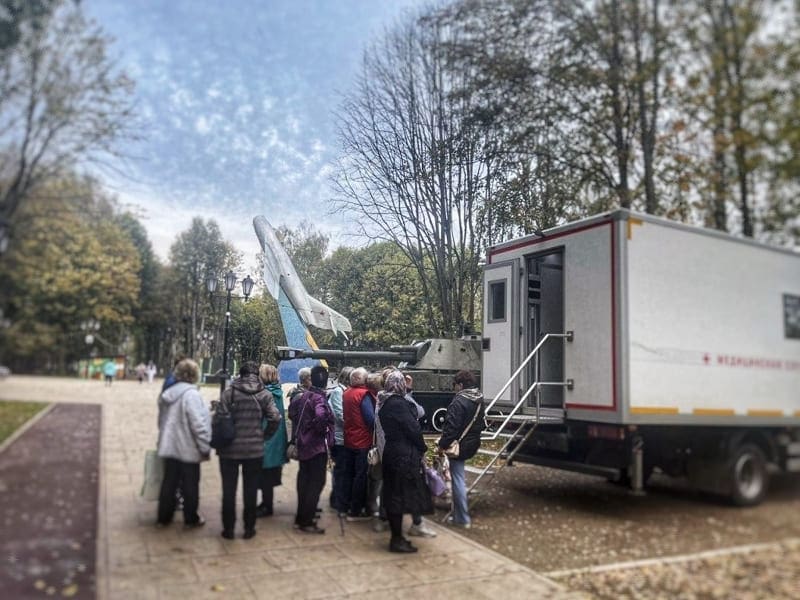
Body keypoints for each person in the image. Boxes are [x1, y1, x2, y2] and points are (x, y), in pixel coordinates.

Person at [216, 361, 281, 540]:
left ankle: (228, 529)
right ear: (256, 376)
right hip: (254, 450)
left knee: (228, 490)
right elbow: (275, 418)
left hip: (229, 450)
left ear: (240, 374)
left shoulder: (229, 393)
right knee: (250, 490)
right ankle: (249, 528)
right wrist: (264, 436)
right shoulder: (265, 394)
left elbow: (219, 417)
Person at [379, 370, 433, 553]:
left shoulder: (385, 402)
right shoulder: (398, 404)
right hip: (403, 455)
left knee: (395, 495)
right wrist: (423, 448)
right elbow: (413, 429)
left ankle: (398, 537)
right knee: (398, 497)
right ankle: (396, 539)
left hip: (392, 451)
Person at [155, 358, 211, 528]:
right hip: (188, 448)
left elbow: (161, 421)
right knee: (190, 485)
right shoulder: (192, 395)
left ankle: (163, 517)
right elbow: (198, 425)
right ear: (195, 375)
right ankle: (191, 518)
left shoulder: (167, 394)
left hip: (170, 446)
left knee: (169, 483)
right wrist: (205, 446)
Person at [289, 365, 334, 534]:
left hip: (303, 444)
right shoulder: (319, 398)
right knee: (316, 483)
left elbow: (292, 413)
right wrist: (320, 429)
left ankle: (301, 516)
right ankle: (306, 521)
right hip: (316, 446)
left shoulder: (304, 395)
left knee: (304, 481)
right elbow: (321, 416)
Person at [437, 370, 484, 529]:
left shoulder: (458, 402)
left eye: (455, 385)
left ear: (461, 385)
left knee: (457, 480)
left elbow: (451, 429)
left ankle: (462, 518)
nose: (454, 388)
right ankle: (458, 515)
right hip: (472, 443)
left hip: (459, 446)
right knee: (459, 477)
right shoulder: (478, 399)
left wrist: (442, 444)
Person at [403, 373, 437, 538]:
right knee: (414, 489)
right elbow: (420, 412)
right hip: (407, 455)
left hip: (394, 453)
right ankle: (417, 523)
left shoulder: (383, 400)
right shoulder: (403, 402)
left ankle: (384, 518)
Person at [341, 367, 374, 520]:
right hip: (362, 441)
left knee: (349, 474)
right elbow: (370, 419)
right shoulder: (363, 395)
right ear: (363, 380)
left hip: (349, 439)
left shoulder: (346, 393)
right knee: (360, 477)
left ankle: (345, 505)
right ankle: (356, 510)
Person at [257, 363, 288, 518]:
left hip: (267, 439)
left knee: (265, 476)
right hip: (276, 440)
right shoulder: (277, 392)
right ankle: (266, 504)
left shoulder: (265, 394)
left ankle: (266, 506)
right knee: (269, 475)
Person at [327, 366, 353, 512]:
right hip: (339, 437)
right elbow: (340, 414)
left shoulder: (343, 391)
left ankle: (338, 497)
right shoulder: (338, 392)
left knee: (343, 469)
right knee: (341, 469)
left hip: (344, 436)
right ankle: (337, 499)